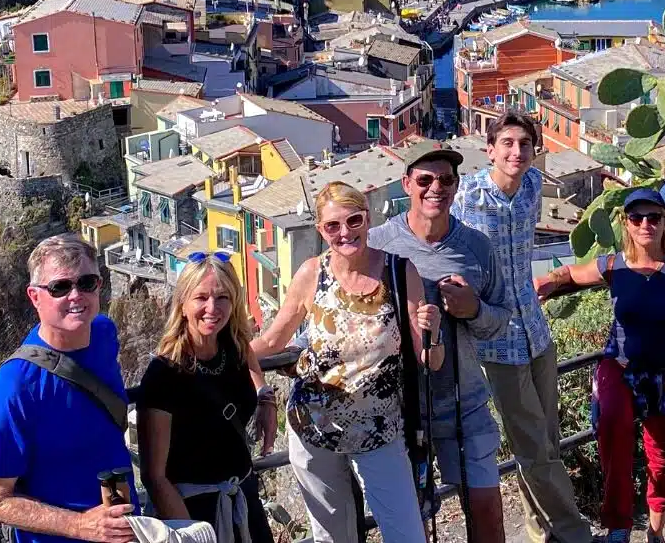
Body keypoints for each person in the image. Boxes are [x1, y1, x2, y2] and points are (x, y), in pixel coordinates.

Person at [251, 182, 438, 543]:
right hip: (313, 431)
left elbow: (428, 358)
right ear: (320, 230)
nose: (345, 232)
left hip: (380, 431)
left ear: (367, 219)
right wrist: (217, 352)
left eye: (353, 220)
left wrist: (436, 332)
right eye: (332, 226)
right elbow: (273, 341)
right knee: (334, 538)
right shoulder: (311, 274)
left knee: (407, 535)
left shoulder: (399, 272)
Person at [536, 188, 665, 543]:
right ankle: (618, 526)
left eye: (653, 217)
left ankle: (655, 530)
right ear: (626, 224)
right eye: (637, 218)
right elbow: (571, 271)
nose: (645, 224)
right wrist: (548, 280)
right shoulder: (614, 264)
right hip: (621, 366)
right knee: (614, 430)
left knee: (662, 457)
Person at [451, 111, 589, 543]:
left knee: (548, 436)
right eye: (506, 143)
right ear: (489, 149)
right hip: (497, 340)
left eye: (524, 143)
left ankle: (539, 527)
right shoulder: (466, 196)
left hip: (535, 329)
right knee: (532, 443)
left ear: (535, 150)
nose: (516, 151)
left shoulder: (532, 185)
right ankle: (572, 532)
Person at [369, 145, 513, 543]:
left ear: (456, 186)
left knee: (487, 513)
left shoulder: (477, 247)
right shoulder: (377, 245)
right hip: (399, 410)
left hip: (465, 406)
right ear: (406, 184)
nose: (436, 188)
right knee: (409, 522)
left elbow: (500, 323)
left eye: (446, 180)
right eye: (425, 180)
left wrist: (473, 310)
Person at [0, 235, 148, 543]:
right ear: (34, 296)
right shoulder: (13, 389)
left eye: (87, 282)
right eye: (59, 287)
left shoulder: (103, 333)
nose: (76, 295)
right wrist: (81, 526)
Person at [136, 252, 279, 543]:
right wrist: (193, 536)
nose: (212, 308)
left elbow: (251, 366)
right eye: (201, 298)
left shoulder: (233, 346)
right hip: (194, 515)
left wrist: (266, 399)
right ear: (183, 304)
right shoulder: (164, 374)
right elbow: (155, 476)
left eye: (223, 297)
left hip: (244, 502)